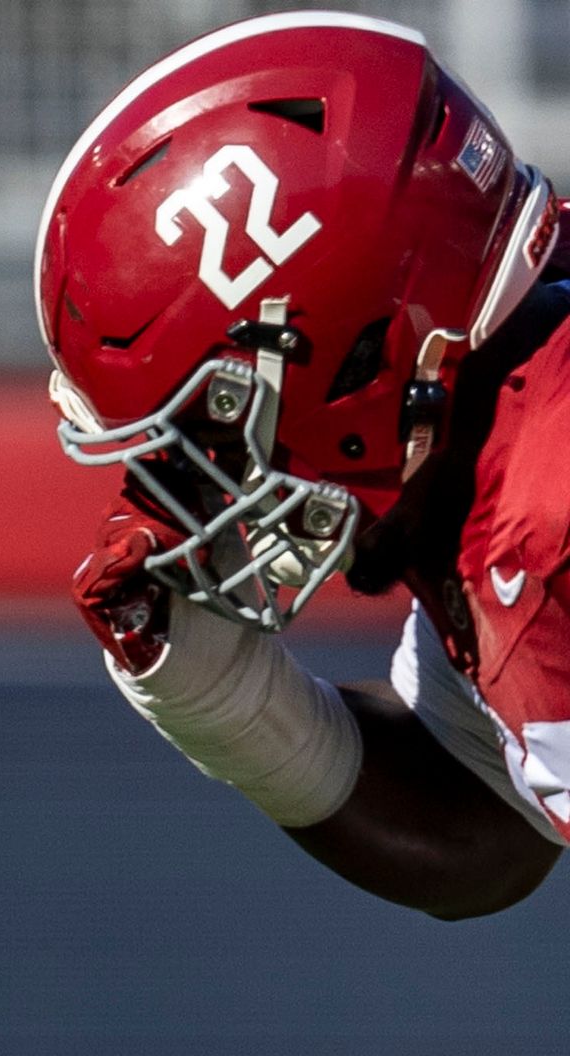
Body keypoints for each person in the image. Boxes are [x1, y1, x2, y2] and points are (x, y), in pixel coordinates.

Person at [47, 18, 569, 920]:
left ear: (356, 357)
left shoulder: (544, 529)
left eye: (211, 424)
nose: (199, 480)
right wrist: (240, 710)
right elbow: (491, 818)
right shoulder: (486, 427)